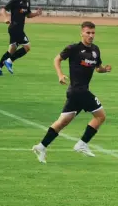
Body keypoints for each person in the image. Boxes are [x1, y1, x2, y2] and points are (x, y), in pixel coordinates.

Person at [31, 22, 111, 164]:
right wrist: (60, 75)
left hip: (77, 93)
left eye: (93, 33)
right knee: (100, 116)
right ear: (82, 33)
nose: (91, 35)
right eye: (88, 33)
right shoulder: (73, 48)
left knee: (62, 122)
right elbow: (57, 59)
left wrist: (105, 69)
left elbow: (98, 68)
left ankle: (41, 146)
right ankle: (82, 144)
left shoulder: (95, 50)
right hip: (78, 91)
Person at [0, 0, 42, 76]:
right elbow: (3, 9)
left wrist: (37, 13)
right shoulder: (15, 0)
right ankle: (9, 61)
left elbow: (28, 15)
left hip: (19, 28)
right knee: (27, 47)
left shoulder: (27, 1)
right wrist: (6, 19)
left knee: (11, 50)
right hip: (15, 28)